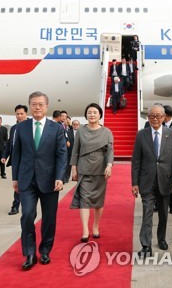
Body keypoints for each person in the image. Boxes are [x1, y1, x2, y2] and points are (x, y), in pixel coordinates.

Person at [11, 91, 67, 270]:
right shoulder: (21, 127)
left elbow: (61, 155)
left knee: (49, 218)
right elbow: (17, 154)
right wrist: (15, 178)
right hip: (26, 180)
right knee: (27, 215)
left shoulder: (57, 128)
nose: (37, 107)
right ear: (30, 106)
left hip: (50, 180)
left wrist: (60, 176)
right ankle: (29, 253)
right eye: (34, 104)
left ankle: (44, 251)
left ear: (46, 107)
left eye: (40, 104)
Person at [131, 104, 172, 257]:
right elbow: (136, 161)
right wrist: (134, 183)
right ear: (148, 117)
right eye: (152, 116)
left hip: (166, 181)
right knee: (147, 213)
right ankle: (146, 245)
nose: (155, 119)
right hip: (146, 181)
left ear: (164, 117)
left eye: (158, 116)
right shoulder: (141, 135)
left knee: (163, 214)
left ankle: (161, 238)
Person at [70, 103, 113, 243]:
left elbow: (110, 151)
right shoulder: (81, 131)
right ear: (86, 115)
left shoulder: (107, 132)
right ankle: (85, 231)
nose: (92, 115)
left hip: (100, 170)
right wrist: (74, 168)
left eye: (95, 112)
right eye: (89, 112)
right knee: (84, 201)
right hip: (84, 169)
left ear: (100, 114)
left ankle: (95, 226)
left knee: (98, 202)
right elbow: (75, 151)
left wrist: (109, 165)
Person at [1, 104, 28, 215]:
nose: (20, 116)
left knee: (26, 185)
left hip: (28, 161)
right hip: (16, 161)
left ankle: (25, 206)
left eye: (22, 114)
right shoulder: (14, 128)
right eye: (17, 114)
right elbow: (9, 143)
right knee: (17, 184)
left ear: (26, 114)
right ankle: (16, 206)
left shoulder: (31, 126)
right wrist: (4, 156)